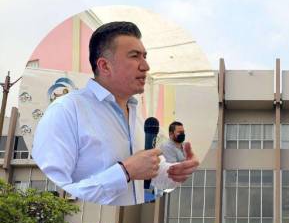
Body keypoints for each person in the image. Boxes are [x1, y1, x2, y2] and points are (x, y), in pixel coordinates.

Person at [32, 21, 199, 206]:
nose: (145, 66)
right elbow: (53, 191)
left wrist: (174, 172)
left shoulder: (136, 114)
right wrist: (124, 172)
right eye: (135, 56)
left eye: (144, 56)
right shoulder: (67, 111)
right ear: (104, 66)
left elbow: (146, 170)